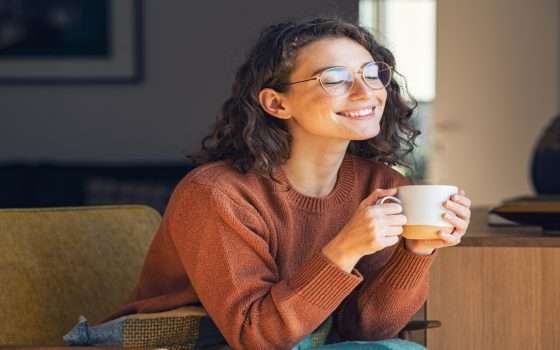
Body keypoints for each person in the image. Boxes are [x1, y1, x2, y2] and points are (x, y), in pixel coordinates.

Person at [112, 17, 471, 349]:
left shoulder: (381, 184)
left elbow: (365, 330)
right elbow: (255, 335)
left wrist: (416, 252)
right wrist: (345, 248)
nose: (366, 92)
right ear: (276, 104)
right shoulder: (216, 194)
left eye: (372, 73)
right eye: (334, 79)